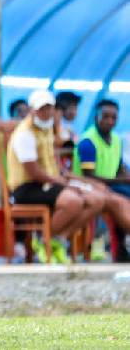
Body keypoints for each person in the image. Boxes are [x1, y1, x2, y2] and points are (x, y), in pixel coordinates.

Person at [7, 90, 130, 262]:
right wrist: (66, 183)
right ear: (32, 110)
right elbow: (34, 172)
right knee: (74, 201)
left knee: (98, 199)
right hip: (27, 187)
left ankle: (58, 239)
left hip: (48, 183)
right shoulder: (25, 133)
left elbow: (57, 168)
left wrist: (81, 182)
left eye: (50, 108)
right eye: (42, 109)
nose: (47, 112)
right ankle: (45, 240)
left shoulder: (46, 130)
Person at [74, 99, 130, 262]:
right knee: (122, 200)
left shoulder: (116, 140)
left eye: (113, 117)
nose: (109, 121)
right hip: (88, 186)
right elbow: (88, 175)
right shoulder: (88, 141)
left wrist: (125, 176)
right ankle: (120, 248)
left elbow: (119, 167)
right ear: (95, 117)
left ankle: (121, 248)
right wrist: (124, 180)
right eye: (105, 116)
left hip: (111, 185)